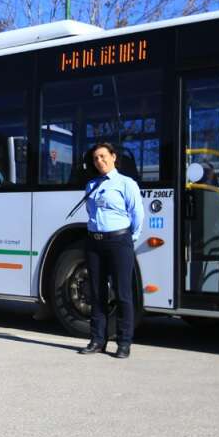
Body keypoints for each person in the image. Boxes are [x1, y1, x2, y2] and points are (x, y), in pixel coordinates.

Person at [78, 141, 144, 358]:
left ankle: (124, 342)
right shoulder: (91, 185)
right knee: (97, 293)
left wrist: (128, 238)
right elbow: (91, 213)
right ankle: (97, 340)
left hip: (119, 242)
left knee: (123, 293)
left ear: (114, 157)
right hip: (94, 242)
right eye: (96, 158)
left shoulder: (127, 184)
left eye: (103, 156)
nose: (100, 161)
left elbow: (137, 215)